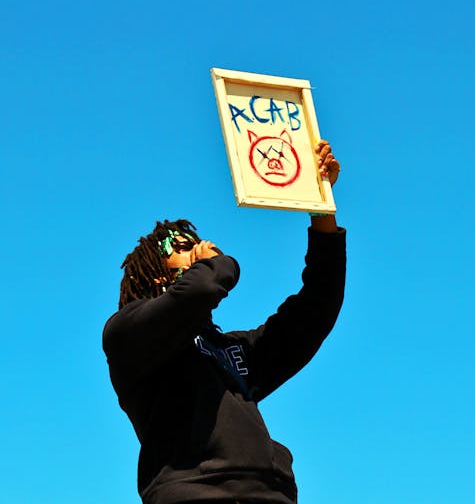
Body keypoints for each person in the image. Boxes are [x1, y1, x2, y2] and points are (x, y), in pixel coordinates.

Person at [102, 140, 346, 504]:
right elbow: (201, 289)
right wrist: (216, 263)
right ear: (155, 276)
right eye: (183, 246)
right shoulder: (128, 335)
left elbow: (316, 308)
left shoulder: (231, 351)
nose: (200, 246)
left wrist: (321, 208)